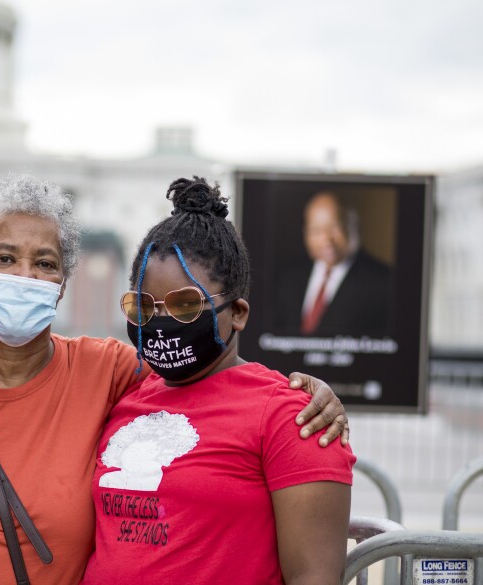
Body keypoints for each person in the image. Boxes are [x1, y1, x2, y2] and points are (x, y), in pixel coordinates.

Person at [0, 175, 351, 585]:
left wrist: (311, 393)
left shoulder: (110, 371)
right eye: (143, 308)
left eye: (44, 263)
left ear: (62, 284)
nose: (24, 276)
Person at [82, 177, 354, 584]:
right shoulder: (126, 397)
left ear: (238, 312)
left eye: (186, 305)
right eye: (143, 306)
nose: (160, 321)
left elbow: (313, 577)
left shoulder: (294, 415)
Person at [275, 190, 392, 336]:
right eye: (316, 230)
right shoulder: (289, 278)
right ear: (305, 232)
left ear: (354, 226)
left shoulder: (384, 282)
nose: (326, 239)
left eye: (335, 227)